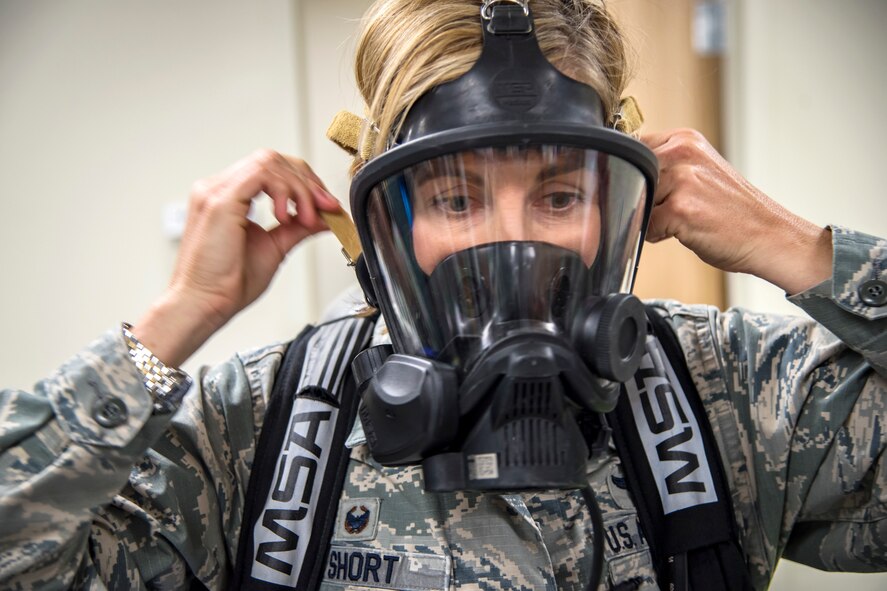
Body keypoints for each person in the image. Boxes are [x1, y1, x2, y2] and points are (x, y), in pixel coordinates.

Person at [0, 1, 884, 590]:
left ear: (620, 206)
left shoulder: (730, 394)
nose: (516, 242)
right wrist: (174, 320)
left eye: (559, 195)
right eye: (456, 199)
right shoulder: (260, 428)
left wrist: (795, 248)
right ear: (391, 223)